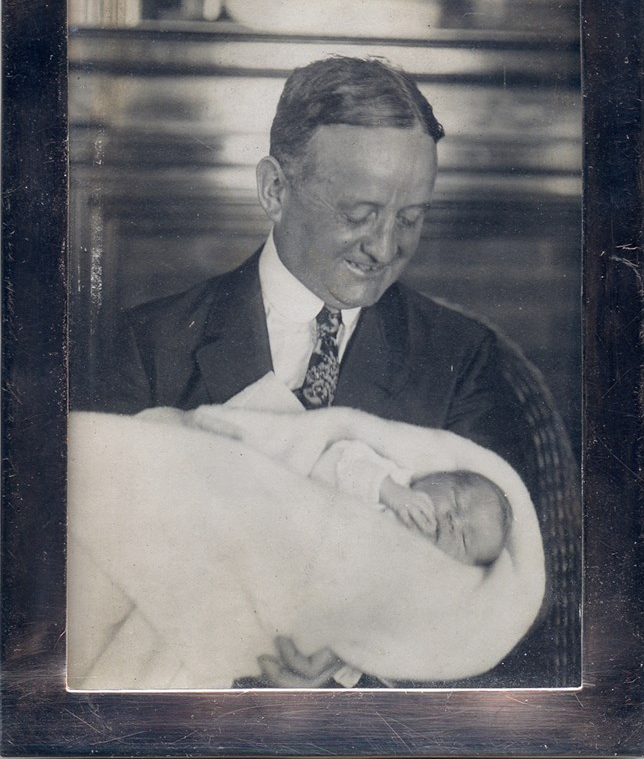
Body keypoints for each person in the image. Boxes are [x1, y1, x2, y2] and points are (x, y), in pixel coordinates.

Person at [98, 55, 543, 685]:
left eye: (410, 218)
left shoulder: (461, 355)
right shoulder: (150, 344)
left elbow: (498, 590)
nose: (385, 249)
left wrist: (360, 649)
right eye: (359, 215)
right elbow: (93, 558)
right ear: (275, 190)